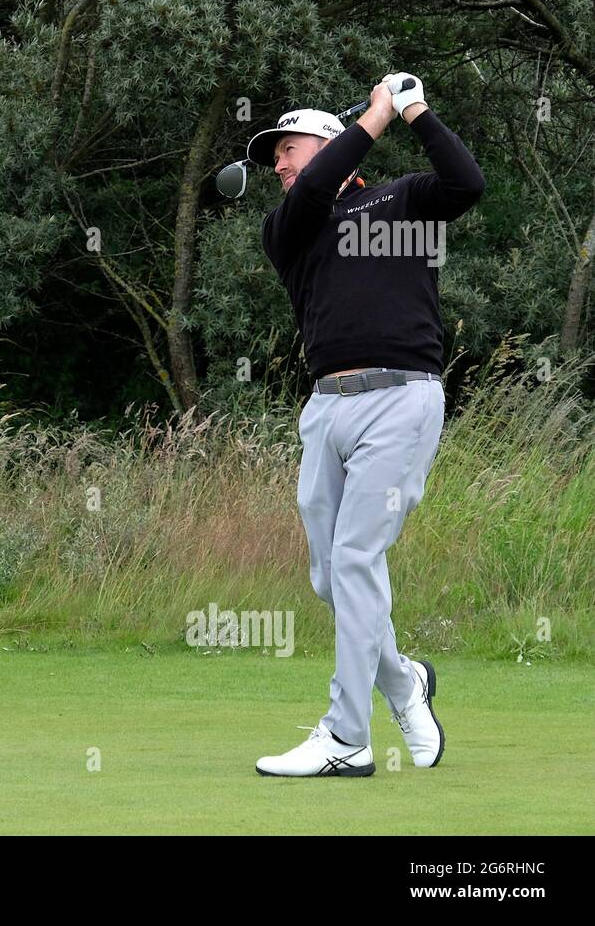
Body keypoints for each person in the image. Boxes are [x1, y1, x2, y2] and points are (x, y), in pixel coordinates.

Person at [249, 74, 485, 776]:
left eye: (289, 150)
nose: (281, 166)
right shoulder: (288, 225)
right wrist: (375, 116)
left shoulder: (401, 197)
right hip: (326, 407)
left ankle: (347, 737)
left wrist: (411, 107)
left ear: (329, 145)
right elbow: (317, 186)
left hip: (402, 398)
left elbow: (466, 182)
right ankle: (404, 680)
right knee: (333, 577)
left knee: (354, 561)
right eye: (278, 158)